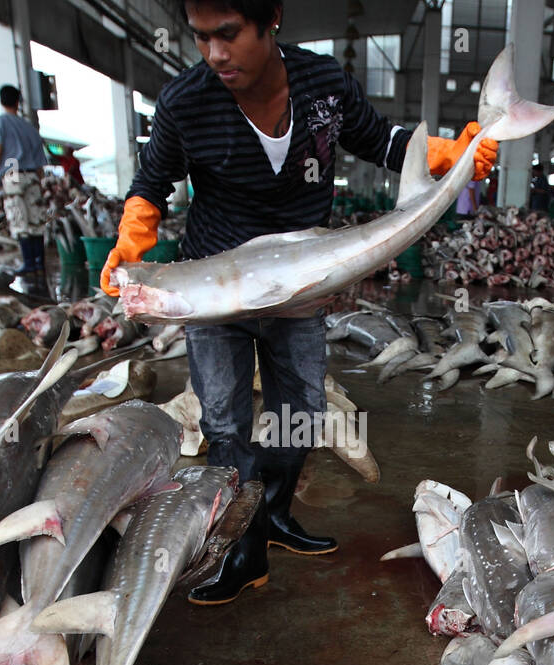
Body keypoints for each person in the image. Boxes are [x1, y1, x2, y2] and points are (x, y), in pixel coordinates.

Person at [100, 0, 498, 605]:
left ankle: (275, 513)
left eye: (229, 35)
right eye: (203, 38)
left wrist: (448, 152)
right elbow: (152, 181)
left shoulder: (323, 86)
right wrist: (134, 235)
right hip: (219, 292)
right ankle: (241, 547)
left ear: (271, 20)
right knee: (226, 425)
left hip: (302, 287)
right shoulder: (187, 101)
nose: (215, 55)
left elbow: (381, 139)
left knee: (302, 411)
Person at [0, 84, 50, 295]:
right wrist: (39, 182)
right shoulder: (30, 128)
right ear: (18, 101)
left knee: (19, 219)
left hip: (13, 171)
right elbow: (41, 162)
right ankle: (39, 263)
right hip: (32, 174)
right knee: (36, 220)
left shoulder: (1, 122)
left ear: (2, 101)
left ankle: (29, 265)